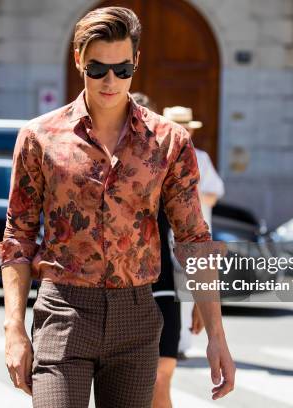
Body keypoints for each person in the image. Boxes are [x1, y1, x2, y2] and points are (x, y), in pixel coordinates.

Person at [0, 7, 235, 407]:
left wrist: (217, 337)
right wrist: (14, 329)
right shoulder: (39, 137)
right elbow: (18, 237)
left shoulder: (169, 141)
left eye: (123, 70)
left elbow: (194, 239)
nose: (111, 81)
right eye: (98, 69)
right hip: (63, 311)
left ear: (136, 62)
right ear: (78, 60)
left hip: (137, 317)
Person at [131, 92, 184, 408]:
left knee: (162, 375)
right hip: (120, 292)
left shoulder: (168, 166)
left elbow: (191, 233)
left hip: (163, 287)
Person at [163, 106, 225, 359]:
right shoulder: (158, 155)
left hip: (193, 233)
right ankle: (169, 342)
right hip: (167, 233)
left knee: (190, 289)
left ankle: (180, 344)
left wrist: (187, 193)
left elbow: (214, 195)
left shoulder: (201, 157)